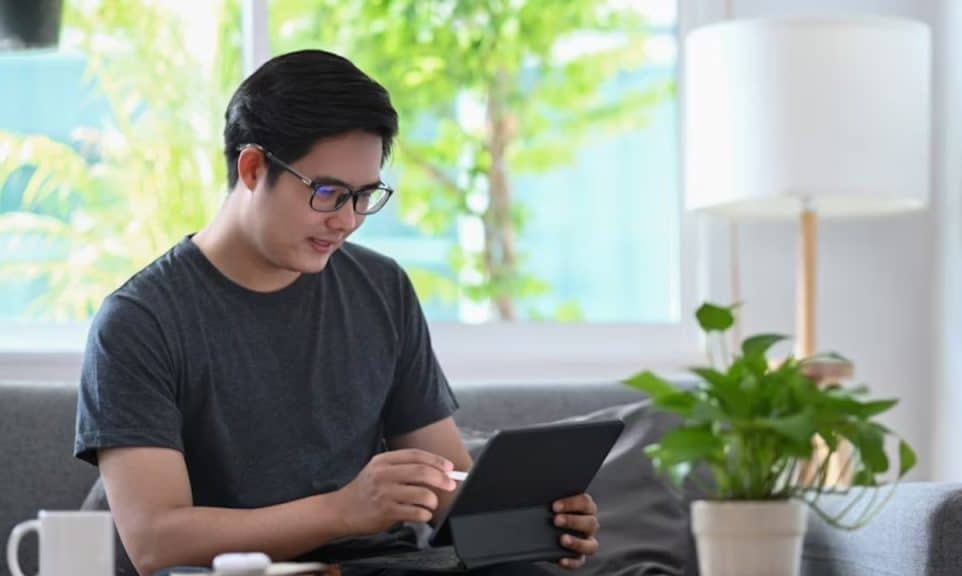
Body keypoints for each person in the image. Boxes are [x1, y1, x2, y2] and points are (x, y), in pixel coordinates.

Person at [74, 49, 600, 576]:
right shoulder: (138, 323)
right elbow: (155, 543)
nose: (348, 221)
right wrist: (343, 511)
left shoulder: (381, 287)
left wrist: (532, 522)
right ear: (253, 168)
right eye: (328, 193)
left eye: (364, 196)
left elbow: (446, 487)